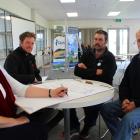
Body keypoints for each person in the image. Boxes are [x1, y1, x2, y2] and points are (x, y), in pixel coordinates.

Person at [4, 31, 64, 132]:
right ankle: (39, 130)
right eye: (27, 42)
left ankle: (41, 129)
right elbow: (12, 78)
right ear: (21, 42)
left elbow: (36, 73)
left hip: (33, 88)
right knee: (46, 112)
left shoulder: (31, 56)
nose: (30, 46)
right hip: (19, 94)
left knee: (60, 111)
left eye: (32, 43)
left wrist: (37, 78)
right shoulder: (12, 58)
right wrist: (32, 78)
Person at [70, 30, 117, 139]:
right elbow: (77, 71)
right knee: (68, 99)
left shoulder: (110, 57)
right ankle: (74, 126)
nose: (97, 42)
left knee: (92, 105)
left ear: (106, 42)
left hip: (102, 88)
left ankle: (87, 127)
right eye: (95, 39)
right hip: (85, 85)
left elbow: (107, 76)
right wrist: (95, 71)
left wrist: (86, 70)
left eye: (100, 39)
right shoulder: (87, 53)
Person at [0, 65, 67, 140]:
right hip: (4, 123)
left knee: (48, 111)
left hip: (8, 117)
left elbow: (21, 89)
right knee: (37, 130)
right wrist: (17, 121)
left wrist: (52, 92)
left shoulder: (1, 69)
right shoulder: (13, 58)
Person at [100, 30, 140, 140]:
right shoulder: (136, 60)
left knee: (128, 120)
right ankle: (121, 136)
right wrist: (124, 99)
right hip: (130, 100)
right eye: (138, 40)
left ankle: (122, 136)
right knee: (105, 109)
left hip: (137, 104)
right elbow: (124, 84)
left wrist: (135, 103)